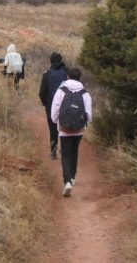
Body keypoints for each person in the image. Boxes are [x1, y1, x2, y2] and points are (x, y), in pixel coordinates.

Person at [51, 68, 92, 197]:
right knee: (74, 151)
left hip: (64, 129)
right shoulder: (85, 94)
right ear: (80, 77)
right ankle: (73, 177)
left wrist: (57, 122)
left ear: (68, 77)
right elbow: (89, 115)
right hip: (79, 130)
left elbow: (55, 111)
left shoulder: (61, 91)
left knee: (66, 153)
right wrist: (83, 124)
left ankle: (67, 181)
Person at [39, 53, 68, 159]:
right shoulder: (67, 72)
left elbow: (42, 92)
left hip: (51, 104)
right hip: (65, 104)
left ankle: (53, 151)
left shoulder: (47, 74)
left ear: (50, 61)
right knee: (65, 128)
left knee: (52, 128)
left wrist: (44, 102)